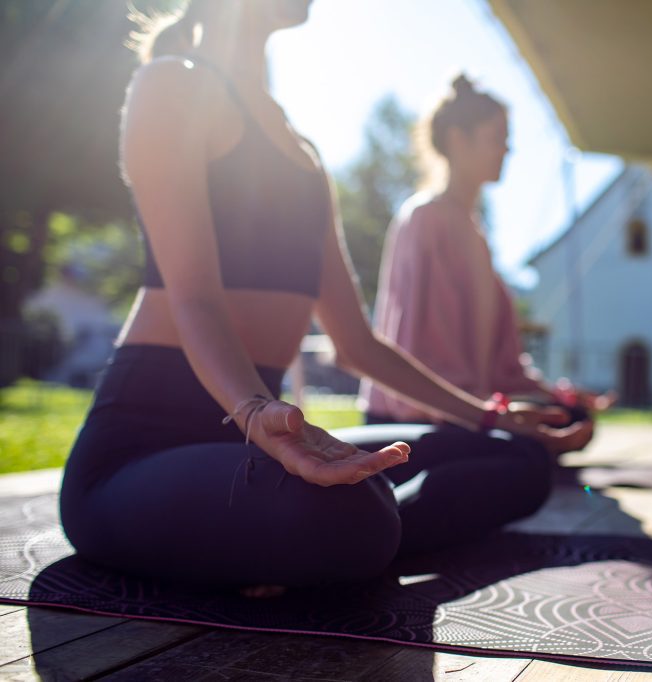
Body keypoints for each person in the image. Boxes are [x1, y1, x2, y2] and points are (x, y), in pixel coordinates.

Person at [59, 0, 587, 590]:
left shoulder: (302, 150)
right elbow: (195, 300)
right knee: (351, 513)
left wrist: (488, 415)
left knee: (516, 458)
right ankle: (341, 528)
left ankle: (324, 536)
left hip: (259, 439)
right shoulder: (172, 85)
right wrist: (257, 414)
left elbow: (357, 344)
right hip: (139, 452)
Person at [360, 75, 614, 446]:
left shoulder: (472, 230)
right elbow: (420, 352)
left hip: (472, 407)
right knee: (524, 459)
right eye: (498, 139)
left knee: (569, 417)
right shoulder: (426, 219)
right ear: (457, 140)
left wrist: (557, 396)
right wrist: (490, 414)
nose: (507, 151)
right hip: (419, 415)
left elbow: (499, 365)